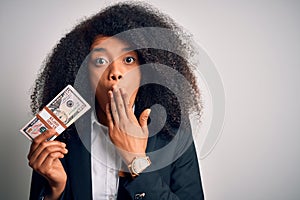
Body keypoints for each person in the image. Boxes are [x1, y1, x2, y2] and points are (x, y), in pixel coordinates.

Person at [27, 2, 204, 200]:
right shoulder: (62, 133)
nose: (116, 73)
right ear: (84, 72)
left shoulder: (173, 129)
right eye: (100, 61)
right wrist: (55, 191)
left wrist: (136, 161)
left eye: (128, 60)